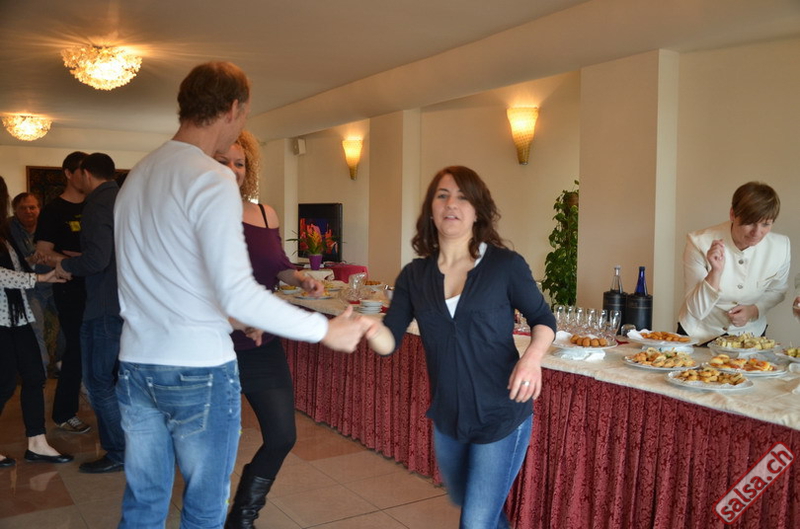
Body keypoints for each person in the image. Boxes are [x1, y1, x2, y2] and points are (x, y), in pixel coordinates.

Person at [113, 61, 376, 528]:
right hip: (197, 366)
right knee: (204, 509)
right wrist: (324, 330)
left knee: (145, 503)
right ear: (233, 108)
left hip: (136, 362)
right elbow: (237, 293)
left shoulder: (139, 174)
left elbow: (165, 279)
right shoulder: (208, 177)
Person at [368, 166, 556, 529]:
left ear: (477, 211)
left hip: (501, 411)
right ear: (431, 209)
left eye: (463, 197)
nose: (451, 204)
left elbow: (543, 318)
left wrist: (532, 359)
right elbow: (388, 342)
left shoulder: (505, 266)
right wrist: (367, 327)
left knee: (475, 522)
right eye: (442, 195)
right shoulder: (414, 275)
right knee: (479, 510)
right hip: (449, 417)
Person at [214, 131, 327, 528]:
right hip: (211, 344)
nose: (233, 169)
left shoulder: (265, 214)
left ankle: (242, 518)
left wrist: (301, 278)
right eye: (222, 161)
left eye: (239, 163)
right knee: (213, 446)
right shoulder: (196, 214)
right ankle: (206, 514)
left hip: (260, 344)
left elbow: (278, 265)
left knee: (281, 436)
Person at [53, 153, 124, 474]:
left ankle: (119, 451)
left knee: (98, 381)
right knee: (117, 380)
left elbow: (97, 261)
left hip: (104, 305)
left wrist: (65, 264)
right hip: (125, 301)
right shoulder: (123, 198)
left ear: (84, 172)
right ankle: (130, 445)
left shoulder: (96, 204)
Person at [0, 176, 72, 468]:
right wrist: (39, 277)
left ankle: (37, 443)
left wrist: (39, 264)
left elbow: (15, 268)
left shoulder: (4, 232)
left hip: (17, 315)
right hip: (1, 319)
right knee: (5, 383)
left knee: (34, 375)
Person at [678, 181, 790, 343]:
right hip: (699, 334)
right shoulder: (698, 242)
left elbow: (777, 290)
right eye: (750, 223)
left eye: (766, 224)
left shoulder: (781, 247)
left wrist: (754, 310)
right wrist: (715, 273)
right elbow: (696, 310)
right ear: (733, 214)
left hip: (750, 336)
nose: (757, 232)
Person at [35, 151, 91, 434]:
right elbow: (43, 253)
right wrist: (74, 261)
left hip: (99, 288)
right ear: (69, 174)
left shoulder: (97, 205)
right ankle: (64, 412)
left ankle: (96, 396)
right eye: (82, 170)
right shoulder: (54, 210)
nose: (87, 176)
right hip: (69, 289)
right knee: (76, 348)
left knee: (101, 346)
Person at [9, 192, 59, 372]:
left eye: (32, 207)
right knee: (35, 329)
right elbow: (9, 263)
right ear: (15, 210)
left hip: (55, 282)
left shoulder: (50, 223)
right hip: (28, 286)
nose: (28, 211)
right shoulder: (7, 229)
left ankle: (63, 364)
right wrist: (30, 260)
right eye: (23, 208)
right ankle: (40, 372)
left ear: (39, 208)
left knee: (73, 322)